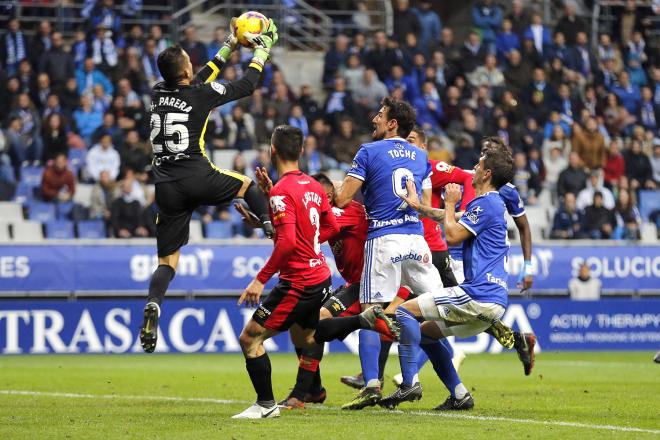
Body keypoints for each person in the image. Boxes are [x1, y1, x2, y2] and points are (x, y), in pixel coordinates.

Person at [232, 126, 398, 419]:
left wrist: (260, 279)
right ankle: (312, 389)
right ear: (302, 151)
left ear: (273, 151)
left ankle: (265, 404)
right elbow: (329, 229)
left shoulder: (282, 191)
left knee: (250, 339)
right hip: (320, 275)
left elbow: (286, 244)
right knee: (306, 337)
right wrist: (299, 239)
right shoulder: (311, 186)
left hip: (298, 282)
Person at [138, 18, 280, 353]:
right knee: (249, 185)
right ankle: (274, 230)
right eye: (189, 59)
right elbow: (245, 86)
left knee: (167, 262)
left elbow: (201, 77)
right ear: (185, 70)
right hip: (195, 175)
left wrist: (230, 45)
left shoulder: (160, 93)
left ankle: (154, 303)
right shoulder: (200, 95)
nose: (193, 62)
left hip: (166, 186)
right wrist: (262, 52)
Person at [382, 145, 514, 411]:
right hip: (495, 302)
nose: (473, 169)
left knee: (405, 313)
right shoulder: (494, 205)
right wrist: (419, 206)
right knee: (427, 334)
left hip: (478, 294)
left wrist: (450, 201)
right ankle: (460, 395)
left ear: (487, 173)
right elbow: (450, 219)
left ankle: (409, 384)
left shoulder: (485, 202)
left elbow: (452, 235)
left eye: (478, 165)